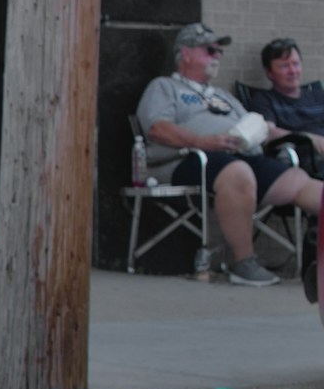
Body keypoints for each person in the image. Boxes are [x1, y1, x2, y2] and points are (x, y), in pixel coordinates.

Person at [137, 22, 324, 288]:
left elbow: (259, 127)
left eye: (219, 52)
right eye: (210, 50)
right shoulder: (165, 87)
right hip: (188, 160)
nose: (217, 56)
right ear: (186, 53)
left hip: (240, 157)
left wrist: (302, 138)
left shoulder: (223, 96)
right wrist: (205, 142)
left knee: (298, 180)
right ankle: (242, 262)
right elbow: (157, 128)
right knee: (238, 173)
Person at [240, 38, 324, 161]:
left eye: (296, 64)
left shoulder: (319, 96)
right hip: (307, 159)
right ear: (269, 73)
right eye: (284, 66)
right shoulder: (264, 100)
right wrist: (307, 138)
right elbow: (267, 131)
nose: (293, 71)